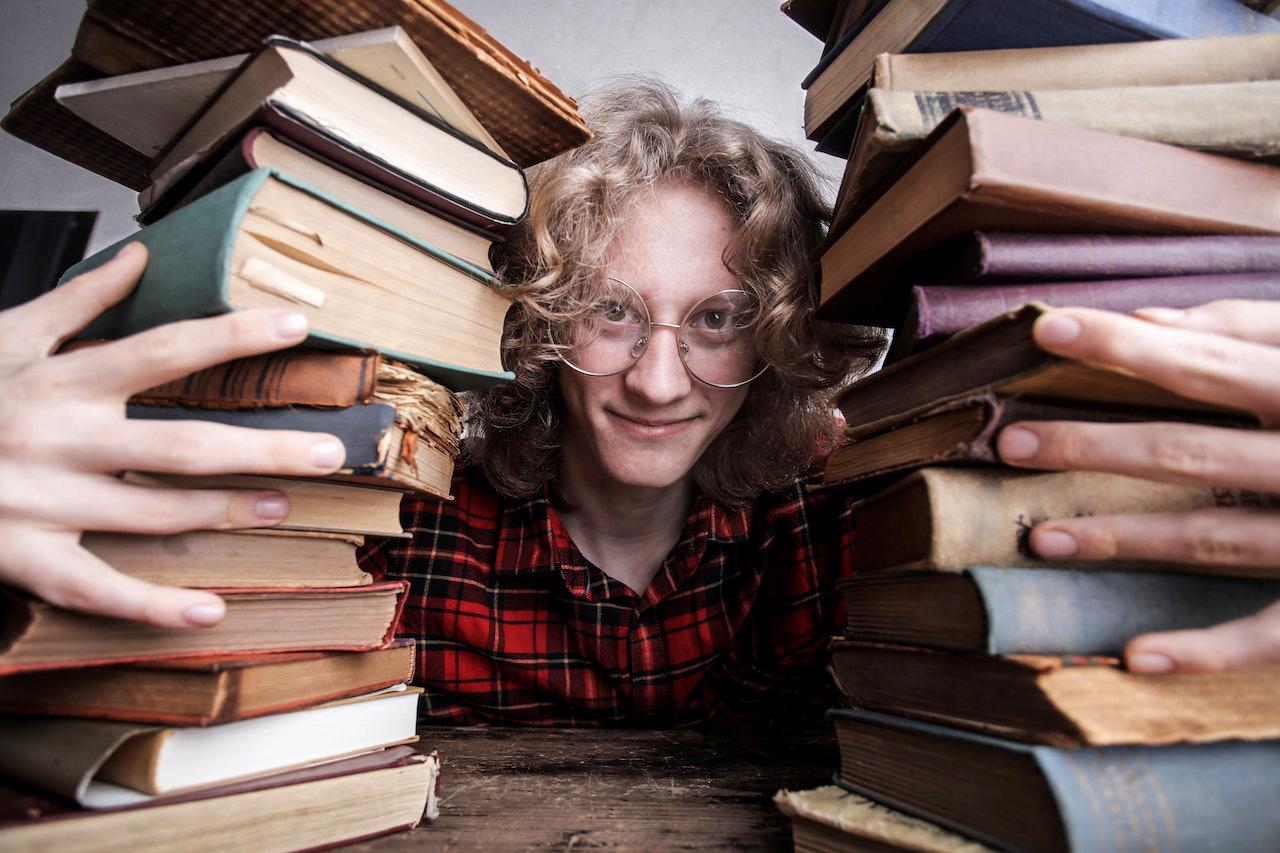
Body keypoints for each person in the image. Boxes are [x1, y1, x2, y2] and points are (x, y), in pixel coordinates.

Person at [1, 82, 1277, 726]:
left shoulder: (852, 520)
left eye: (717, 320)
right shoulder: (397, 515)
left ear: (776, 337)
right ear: (539, 322)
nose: (660, 381)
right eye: (611, 311)